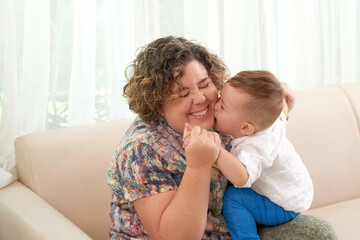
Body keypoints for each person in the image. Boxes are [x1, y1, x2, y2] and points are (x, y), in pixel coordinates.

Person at [108, 36, 331, 240]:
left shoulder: (220, 116)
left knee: (317, 232)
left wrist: (279, 107)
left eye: (205, 84)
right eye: (183, 94)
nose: (200, 98)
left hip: (234, 228)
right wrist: (198, 165)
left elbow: (254, 119)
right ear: (157, 103)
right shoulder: (140, 150)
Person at [184, 70, 314, 240]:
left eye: (222, 106)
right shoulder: (271, 120)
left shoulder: (256, 147)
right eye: (220, 97)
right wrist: (284, 100)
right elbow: (281, 112)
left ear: (246, 129)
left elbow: (242, 178)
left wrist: (216, 150)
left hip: (283, 205)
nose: (215, 105)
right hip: (298, 192)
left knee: (233, 198)